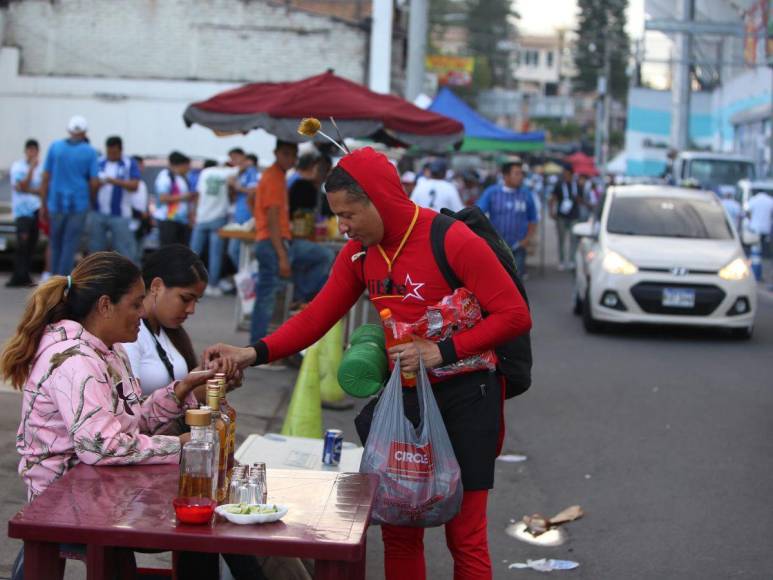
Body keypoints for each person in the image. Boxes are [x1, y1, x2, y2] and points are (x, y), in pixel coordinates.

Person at [204, 147, 532, 579]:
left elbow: (514, 315)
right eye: (337, 215)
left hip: (468, 398)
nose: (342, 227)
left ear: (379, 200)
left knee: (464, 534)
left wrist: (442, 351)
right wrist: (251, 353)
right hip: (405, 399)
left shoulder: (450, 239)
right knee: (398, 529)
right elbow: (317, 317)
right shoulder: (359, 255)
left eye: (349, 214)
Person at [1, 252, 214, 578]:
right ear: (104, 305)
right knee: (198, 523)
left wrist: (179, 391)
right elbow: (102, 446)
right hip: (65, 501)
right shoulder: (75, 360)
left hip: (96, 487)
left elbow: (129, 421)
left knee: (203, 517)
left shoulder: (109, 351)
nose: (142, 314)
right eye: (135, 304)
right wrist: (180, 446)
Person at [249, 140, 332, 344]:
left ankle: (300, 295)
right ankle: (258, 347)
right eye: (286, 154)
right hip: (272, 243)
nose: (290, 159)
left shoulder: (277, 176)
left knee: (323, 256)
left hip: (277, 241)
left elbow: (252, 198)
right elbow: (273, 217)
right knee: (266, 298)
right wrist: (282, 255)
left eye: (293, 155)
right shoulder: (274, 177)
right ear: (276, 153)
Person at [39, 115, 100, 275]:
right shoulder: (90, 152)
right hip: (78, 204)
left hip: (56, 202)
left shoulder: (55, 147)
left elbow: (45, 177)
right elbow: (94, 182)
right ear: (85, 132)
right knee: (70, 244)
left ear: (69, 130)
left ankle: (52, 279)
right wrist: (91, 199)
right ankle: (62, 280)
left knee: (55, 242)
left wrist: (43, 203)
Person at [476, 160, 538, 277]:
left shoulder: (526, 194)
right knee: (498, 278)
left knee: (517, 279)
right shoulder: (492, 193)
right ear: (506, 176)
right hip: (497, 246)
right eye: (516, 173)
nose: (520, 177)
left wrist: (527, 240)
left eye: (521, 174)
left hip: (518, 246)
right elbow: (478, 213)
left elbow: (533, 219)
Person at [190, 160, 237, 297]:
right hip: (218, 218)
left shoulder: (204, 173)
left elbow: (198, 195)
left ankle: (186, 282)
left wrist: (195, 212)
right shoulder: (228, 172)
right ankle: (212, 285)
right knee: (215, 254)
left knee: (192, 253)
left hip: (202, 217)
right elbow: (233, 188)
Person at [90, 136, 141, 259]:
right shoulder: (99, 162)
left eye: (114, 152)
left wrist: (113, 181)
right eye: (109, 152)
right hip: (98, 212)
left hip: (120, 214)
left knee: (124, 249)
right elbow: (91, 185)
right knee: (96, 249)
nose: (111, 155)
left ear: (120, 150)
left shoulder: (129, 163)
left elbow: (135, 185)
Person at [7, 139, 43, 287]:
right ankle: (18, 275)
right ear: (26, 151)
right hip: (22, 212)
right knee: (22, 244)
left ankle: (25, 275)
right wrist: (31, 170)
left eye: (34, 150)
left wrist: (30, 189)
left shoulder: (41, 168)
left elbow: (42, 190)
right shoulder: (18, 167)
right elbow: (21, 186)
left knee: (31, 245)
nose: (32, 153)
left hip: (36, 210)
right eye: (30, 150)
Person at [226, 148, 259, 270]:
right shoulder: (240, 173)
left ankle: (246, 279)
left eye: (235, 157)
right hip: (238, 216)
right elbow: (235, 196)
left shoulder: (251, 171)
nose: (233, 161)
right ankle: (244, 279)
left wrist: (237, 186)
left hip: (247, 217)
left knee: (241, 252)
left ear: (244, 157)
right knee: (236, 252)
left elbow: (253, 192)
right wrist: (232, 187)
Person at [154, 151, 194, 246]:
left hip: (181, 221)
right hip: (169, 220)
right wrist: (184, 197)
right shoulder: (165, 177)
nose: (189, 169)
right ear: (180, 165)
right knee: (169, 252)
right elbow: (163, 198)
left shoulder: (182, 178)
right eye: (187, 166)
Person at [549, 165, 582, 271]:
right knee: (561, 239)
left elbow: (581, 200)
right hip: (562, 216)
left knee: (574, 239)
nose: (565, 176)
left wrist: (578, 199)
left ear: (571, 174)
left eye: (567, 174)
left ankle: (572, 260)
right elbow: (553, 198)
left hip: (574, 215)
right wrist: (551, 211)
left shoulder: (577, 185)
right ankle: (562, 261)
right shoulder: (559, 185)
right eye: (564, 174)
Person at [129, 156, 151, 263]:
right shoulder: (128, 184)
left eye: (142, 166)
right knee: (130, 255)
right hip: (129, 224)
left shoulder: (142, 184)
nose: (141, 168)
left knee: (138, 255)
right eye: (138, 165)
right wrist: (138, 214)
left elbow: (144, 203)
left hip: (141, 225)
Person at [747, 189, 773, 259]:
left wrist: (750, 220)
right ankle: (764, 257)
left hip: (754, 226)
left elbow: (748, 212)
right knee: (764, 244)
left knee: (755, 244)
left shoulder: (753, 199)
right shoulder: (770, 200)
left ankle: (754, 256)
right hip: (766, 226)